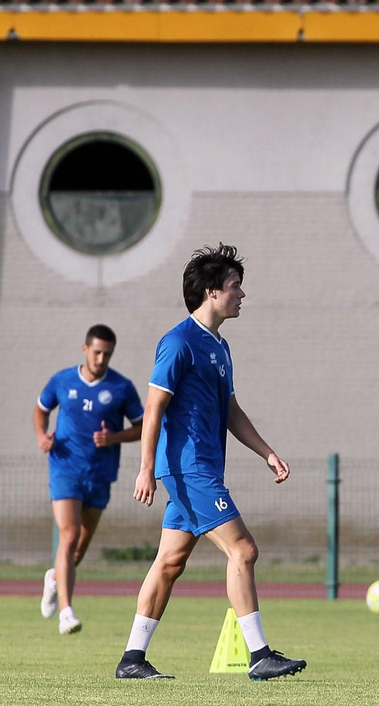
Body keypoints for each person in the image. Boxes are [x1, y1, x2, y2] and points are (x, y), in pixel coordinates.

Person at [115, 244, 306, 681]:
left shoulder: (219, 347)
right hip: (188, 468)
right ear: (211, 291)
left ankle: (132, 659)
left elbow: (231, 410)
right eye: (236, 287)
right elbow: (154, 407)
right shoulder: (179, 342)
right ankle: (259, 655)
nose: (242, 295)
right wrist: (146, 467)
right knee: (243, 549)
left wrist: (268, 452)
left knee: (169, 563)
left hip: (199, 469)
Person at [33, 324, 144, 635]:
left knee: (79, 548)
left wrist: (114, 438)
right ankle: (66, 613)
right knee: (67, 536)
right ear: (85, 349)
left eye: (107, 354)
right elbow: (40, 411)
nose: (101, 358)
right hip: (65, 467)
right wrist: (42, 436)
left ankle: (54, 578)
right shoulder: (62, 380)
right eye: (96, 352)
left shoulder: (121, 387)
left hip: (100, 473)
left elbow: (143, 426)